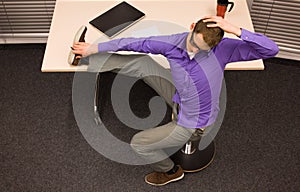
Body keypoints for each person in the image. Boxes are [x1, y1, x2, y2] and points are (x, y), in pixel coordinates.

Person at [72, 16, 279, 186]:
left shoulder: (223, 49)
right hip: (180, 95)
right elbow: (135, 43)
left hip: (194, 123)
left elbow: (271, 50)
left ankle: (170, 171)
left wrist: (235, 29)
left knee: (139, 144)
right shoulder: (172, 42)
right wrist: (94, 48)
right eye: (193, 44)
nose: (192, 52)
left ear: (213, 46)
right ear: (191, 28)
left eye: (201, 50)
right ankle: (86, 58)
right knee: (142, 62)